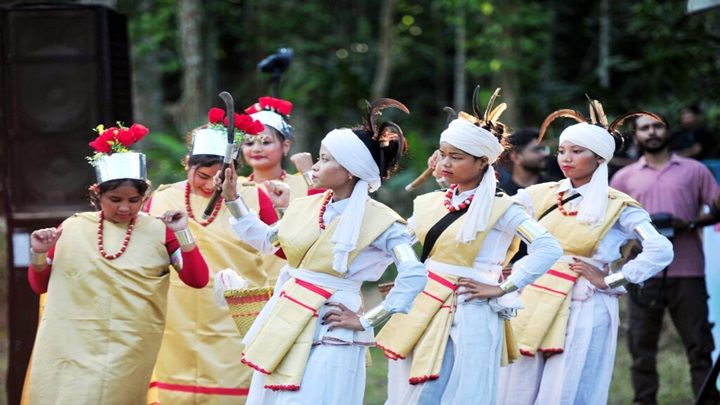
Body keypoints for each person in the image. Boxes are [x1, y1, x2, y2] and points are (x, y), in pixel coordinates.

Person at [215, 98, 427, 405]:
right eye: (319, 158)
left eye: (326, 160)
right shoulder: (306, 207)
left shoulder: (384, 222)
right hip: (286, 315)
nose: (315, 166)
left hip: (332, 323)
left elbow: (414, 273)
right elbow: (265, 240)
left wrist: (368, 320)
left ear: (352, 171)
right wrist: (233, 199)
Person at [376, 87, 563, 405]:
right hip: (427, 301)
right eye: (443, 154)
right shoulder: (432, 202)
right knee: (417, 388)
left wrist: (504, 288)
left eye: (456, 157)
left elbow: (548, 247)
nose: (444, 163)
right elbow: (400, 242)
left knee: (466, 388)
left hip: (472, 308)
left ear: (482, 163)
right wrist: (411, 276)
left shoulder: (503, 208)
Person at [496, 102, 674, 405]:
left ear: (600, 157)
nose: (566, 158)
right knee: (516, 386)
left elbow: (660, 248)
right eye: (562, 150)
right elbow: (494, 216)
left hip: (584, 299)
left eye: (577, 151)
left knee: (569, 383)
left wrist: (613, 279)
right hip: (534, 295)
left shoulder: (618, 204)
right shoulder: (538, 194)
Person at [25, 123, 209, 404]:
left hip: (129, 347)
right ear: (97, 194)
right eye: (115, 200)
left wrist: (183, 231)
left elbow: (197, 280)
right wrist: (39, 253)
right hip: (71, 344)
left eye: (134, 200)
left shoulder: (160, 230)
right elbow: (40, 285)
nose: (125, 208)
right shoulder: (73, 227)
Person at [145, 108, 279, 404]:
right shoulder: (163, 198)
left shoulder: (255, 196)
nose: (208, 184)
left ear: (234, 171)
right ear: (187, 165)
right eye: (201, 175)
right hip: (176, 316)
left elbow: (283, 248)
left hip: (236, 316)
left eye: (219, 177)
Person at [610, 114, 720, 404]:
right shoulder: (624, 177)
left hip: (688, 270)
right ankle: (644, 401)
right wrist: (631, 246)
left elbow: (716, 209)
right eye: (645, 128)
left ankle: (707, 400)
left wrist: (690, 224)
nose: (652, 132)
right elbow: (613, 226)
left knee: (699, 344)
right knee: (641, 347)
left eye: (657, 126)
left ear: (668, 131)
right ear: (636, 135)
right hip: (642, 272)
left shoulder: (695, 170)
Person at [241, 96, 321, 286]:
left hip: (296, 282)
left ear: (285, 146)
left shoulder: (303, 183)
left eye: (266, 142)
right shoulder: (236, 189)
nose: (256, 149)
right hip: (246, 287)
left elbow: (324, 217)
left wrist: (310, 173)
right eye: (249, 142)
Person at [498, 127, 551, 196]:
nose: (545, 154)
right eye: (536, 150)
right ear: (515, 157)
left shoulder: (552, 188)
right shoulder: (503, 195)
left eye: (543, 149)